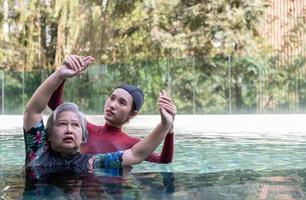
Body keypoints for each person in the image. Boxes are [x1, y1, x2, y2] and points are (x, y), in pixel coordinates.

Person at [23, 55, 176, 170]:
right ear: (47, 135)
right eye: (112, 98)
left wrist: (167, 126)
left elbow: (138, 155)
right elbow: (35, 110)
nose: (70, 129)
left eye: (76, 125)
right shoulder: (38, 152)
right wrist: (60, 75)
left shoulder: (90, 161)